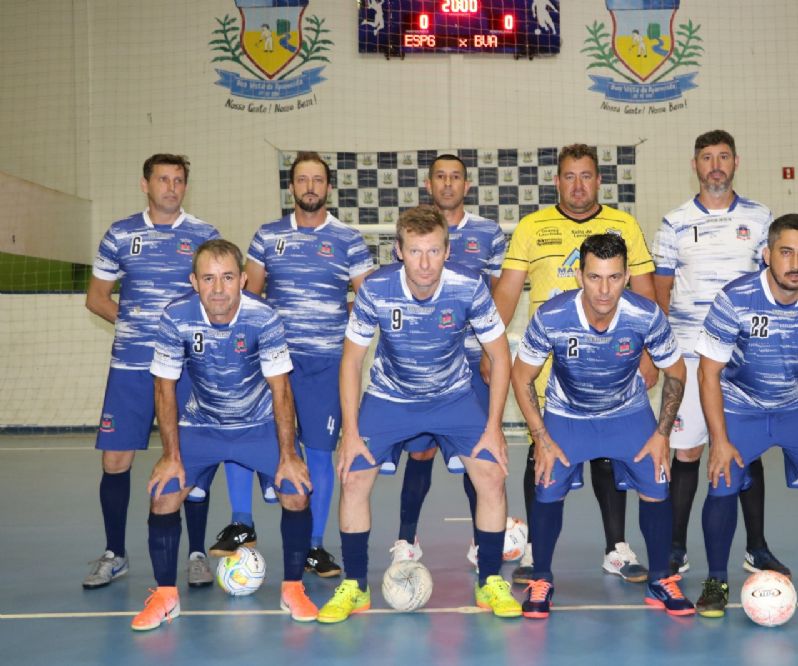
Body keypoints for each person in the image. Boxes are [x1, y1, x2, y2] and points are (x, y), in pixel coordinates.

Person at [318, 205, 521, 623]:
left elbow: (500, 357)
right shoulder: (376, 289)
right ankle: (355, 586)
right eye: (415, 251)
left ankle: (490, 581)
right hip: (391, 396)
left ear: (447, 251)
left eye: (433, 251)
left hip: (453, 396)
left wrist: (493, 427)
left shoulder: (469, 287)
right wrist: (351, 432)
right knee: (353, 475)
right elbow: (351, 361)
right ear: (398, 251)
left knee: (491, 473)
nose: (424, 262)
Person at [491, 143, 657, 584]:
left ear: (599, 180)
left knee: (610, 455)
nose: (578, 184)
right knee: (541, 453)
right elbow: (507, 293)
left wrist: (648, 352)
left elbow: (644, 293)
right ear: (556, 180)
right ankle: (534, 553)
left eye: (586, 176)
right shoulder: (532, 227)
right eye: (569, 176)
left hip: (613, 362)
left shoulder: (623, 224)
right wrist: (488, 350)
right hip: (549, 365)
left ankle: (617, 548)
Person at [131, 239, 317, 631]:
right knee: (164, 495)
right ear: (194, 282)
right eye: (209, 278)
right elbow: (164, 387)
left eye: (228, 277)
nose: (218, 289)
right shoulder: (176, 317)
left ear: (244, 280)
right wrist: (170, 454)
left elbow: (281, 388)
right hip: (202, 424)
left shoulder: (263, 317)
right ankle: (166, 597)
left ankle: (293, 588)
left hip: (259, 424)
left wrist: (288, 454)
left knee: (296, 491)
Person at [512, 234, 694, 619]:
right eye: (595, 277)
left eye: (613, 277)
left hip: (627, 414)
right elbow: (521, 375)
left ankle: (661, 578)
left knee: (658, 481)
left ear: (627, 275)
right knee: (545, 483)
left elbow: (676, 373)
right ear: (579, 275)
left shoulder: (645, 314)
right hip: (568, 415)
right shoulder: (552, 315)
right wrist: (541, 437)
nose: (604, 289)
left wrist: (663, 435)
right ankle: (541, 578)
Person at [210, 152, 373, 578]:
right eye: (303, 180)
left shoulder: (349, 240)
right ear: (292, 187)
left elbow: (368, 299)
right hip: (271, 364)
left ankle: (314, 546)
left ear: (329, 187)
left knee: (319, 452)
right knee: (244, 437)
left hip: (326, 366)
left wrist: (339, 329)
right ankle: (242, 523)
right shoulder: (267, 236)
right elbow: (252, 295)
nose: (310, 187)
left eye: (318, 180)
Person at [693, 214, 798, 619]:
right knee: (722, 481)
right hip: (740, 404)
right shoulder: (735, 298)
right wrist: (720, 441)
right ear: (767, 255)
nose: (795, 264)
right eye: (785, 252)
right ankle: (716, 580)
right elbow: (708, 372)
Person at [651, 129, 787, 577]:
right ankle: (675, 547)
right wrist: (659, 353)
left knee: (744, 452)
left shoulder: (762, 218)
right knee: (686, 453)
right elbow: (661, 294)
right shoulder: (673, 223)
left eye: (723, 156)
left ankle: (757, 548)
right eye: (706, 157)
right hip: (689, 357)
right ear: (694, 165)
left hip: (744, 359)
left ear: (736, 162)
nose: (715, 165)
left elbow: (775, 285)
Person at [84, 154, 220, 590]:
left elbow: (217, 298)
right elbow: (97, 297)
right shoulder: (121, 234)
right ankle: (114, 553)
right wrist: (137, 328)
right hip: (131, 367)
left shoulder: (204, 236)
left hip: (187, 372)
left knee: (191, 459)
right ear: (145, 184)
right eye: (163, 179)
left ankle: (197, 554)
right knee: (116, 459)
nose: (171, 187)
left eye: (179, 180)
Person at [388, 154, 507, 566]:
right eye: (440, 177)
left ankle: (481, 540)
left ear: (467, 185)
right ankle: (406, 539)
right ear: (429, 183)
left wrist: (492, 354)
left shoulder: (489, 233)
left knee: (477, 454)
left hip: (472, 361)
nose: (448, 184)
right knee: (420, 453)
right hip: (423, 365)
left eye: (456, 177)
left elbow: (493, 295)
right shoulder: (410, 232)